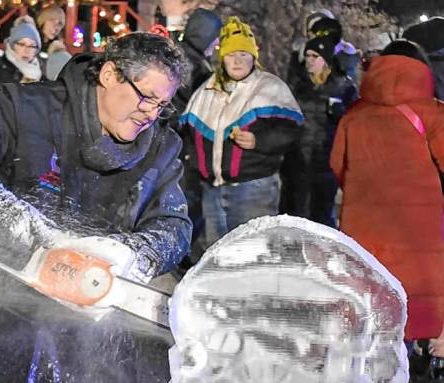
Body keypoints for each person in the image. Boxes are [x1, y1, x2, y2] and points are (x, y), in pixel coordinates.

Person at [0, 32, 191, 383]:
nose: (150, 113)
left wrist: (135, 252)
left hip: (100, 315)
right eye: (145, 97)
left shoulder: (160, 148)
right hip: (7, 302)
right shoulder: (25, 108)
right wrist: (5, 210)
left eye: (162, 105)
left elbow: (175, 226)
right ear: (111, 75)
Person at [330, 40, 444, 357]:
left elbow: (338, 164)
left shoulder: (353, 114)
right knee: (416, 288)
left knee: (370, 287)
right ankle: (413, 352)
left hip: (363, 221)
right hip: (418, 224)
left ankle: (372, 359)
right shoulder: (433, 113)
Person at [180, 16, 303, 248]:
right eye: (231, 55)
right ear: (222, 58)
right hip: (212, 190)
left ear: (253, 57)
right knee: (216, 255)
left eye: (243, 55)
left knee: (251, 254)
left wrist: (259, 140)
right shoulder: (207, 89)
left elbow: (292, 130)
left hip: (254, 189)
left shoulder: (270, 88)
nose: (237, 61)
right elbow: (188, 131)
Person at [280, 35, 357, 226]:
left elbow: (354, 124)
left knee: (322, 218)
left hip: (325, 163)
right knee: (294, 215)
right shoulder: (296, 85)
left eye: (315, 56)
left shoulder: (344, 87)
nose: (309, 60)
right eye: (307, 55)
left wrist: (341, 114)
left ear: (326, 59)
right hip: (296, 163)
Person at [171, 8, 222, 268]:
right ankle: (179, 258)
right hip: (185, 148)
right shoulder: (194, 67)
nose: (217, 43)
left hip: (179, 146)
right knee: (188, 204)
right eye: (215, 37)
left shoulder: (181, 57)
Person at [0, 16, 42, 88]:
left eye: (32, 46)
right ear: (13, 45)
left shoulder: (43, 71)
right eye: (22, 44)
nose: (27, 50)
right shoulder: (0, 72)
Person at [35, 5, 66, 76]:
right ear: (43, 22)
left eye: (59, 24)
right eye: (52, 21)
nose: (56, 28)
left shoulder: (58, 47)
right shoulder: (29, 43)